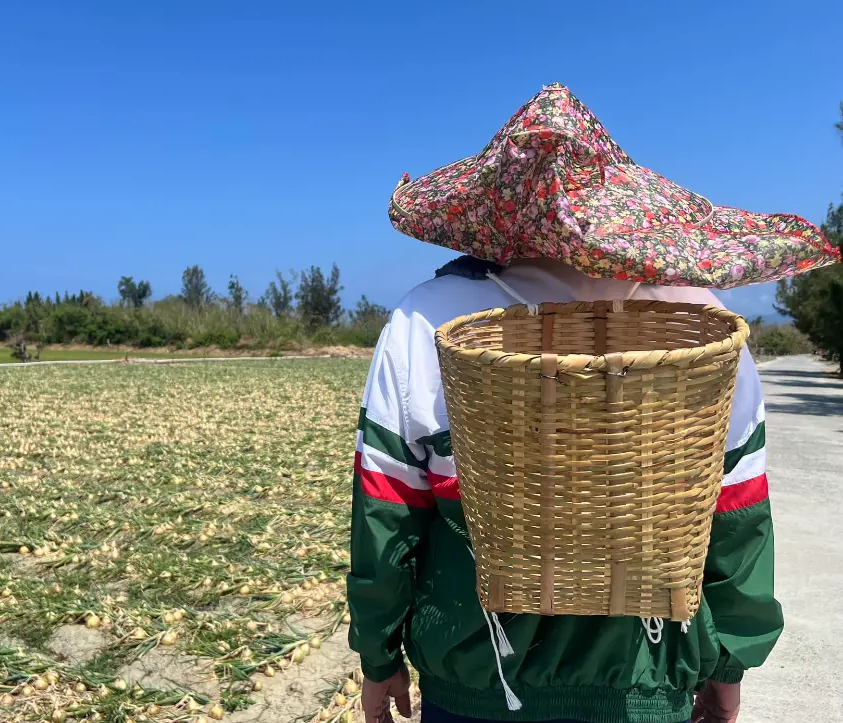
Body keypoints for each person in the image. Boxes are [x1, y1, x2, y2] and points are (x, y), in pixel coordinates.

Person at [347, 83, 838, 723]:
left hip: (477, 684)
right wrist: (728, 667)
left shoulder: (424, 318)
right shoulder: (703, 322)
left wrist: (378, 658)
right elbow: (737, 515)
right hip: (642, 686)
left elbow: (388, 515)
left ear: (490, 209)